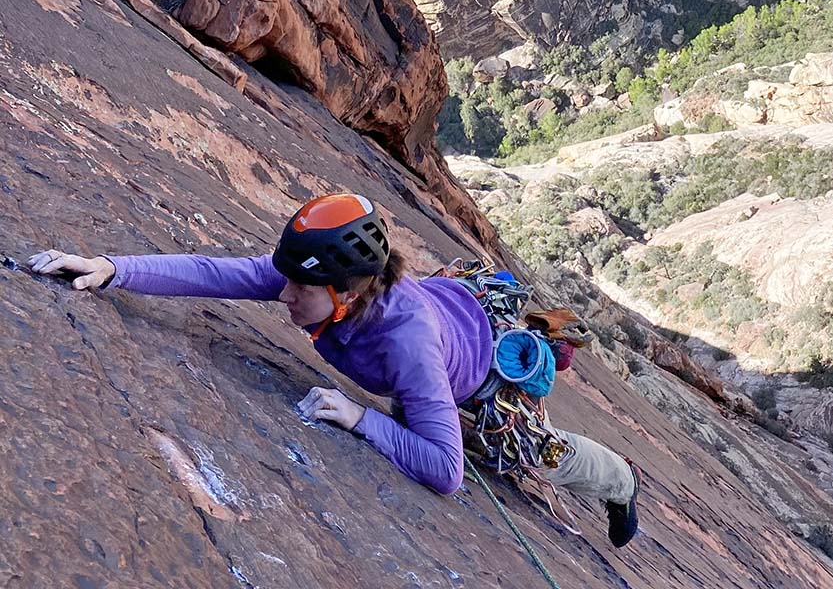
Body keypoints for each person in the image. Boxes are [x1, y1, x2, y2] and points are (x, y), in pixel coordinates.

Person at [28, 192, 640, 547]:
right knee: (419, 413)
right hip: (448, 324)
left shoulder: (406, 346)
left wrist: (360, 419)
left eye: (302, 288)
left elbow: (447, 472)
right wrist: (113, 268)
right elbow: (219, 273)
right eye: (289, 281)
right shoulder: (324, 284)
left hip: (483, 376)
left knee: (530, 453)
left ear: (347, 292)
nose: (285, 296)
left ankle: (622, 482)